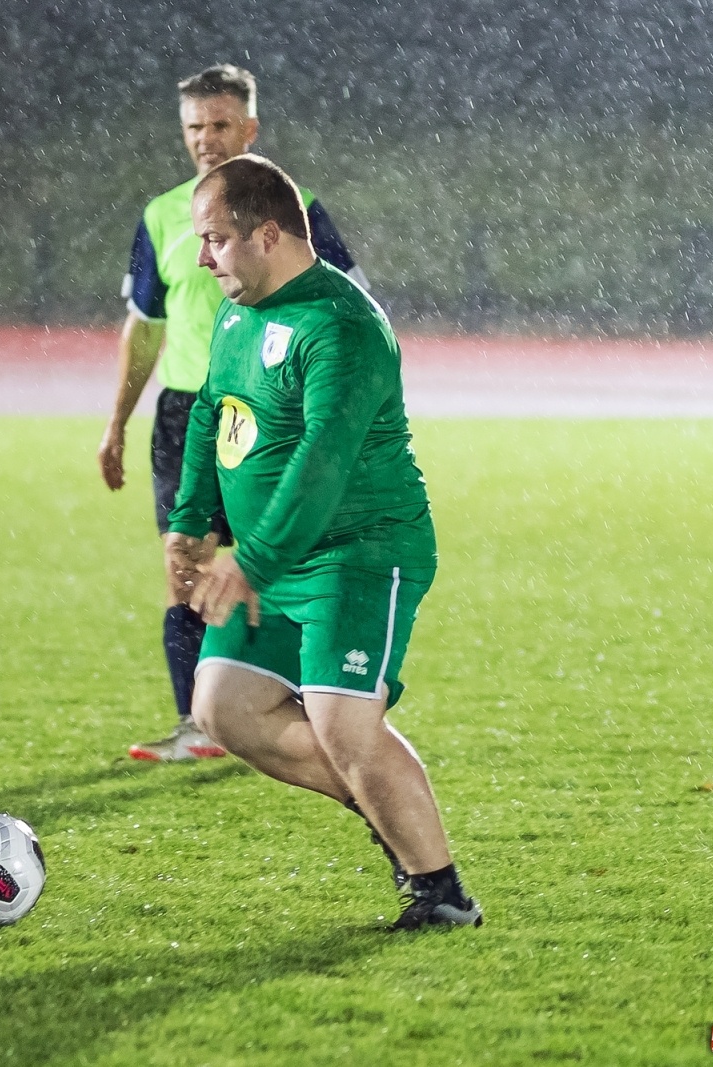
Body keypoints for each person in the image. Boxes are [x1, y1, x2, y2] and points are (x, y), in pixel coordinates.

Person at [168, 154, 481, 930]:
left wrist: (253, 558)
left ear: (266, 233)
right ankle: (384, 803)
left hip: (362, 552)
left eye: (214, 241)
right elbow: (214, 411)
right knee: (223, 706)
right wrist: (190, 518)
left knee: (345, 725)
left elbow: (324, 462)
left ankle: (442, 892)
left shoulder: (343, 326)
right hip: (276, 556)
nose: (204, 260)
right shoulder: (242, 313)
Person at [101, 64, 367, 763]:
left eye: (220, 125)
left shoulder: (296, 206)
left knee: (282, 551)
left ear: (250, 127)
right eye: (194, 127)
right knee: (184, 564)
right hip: (188, 410)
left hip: (273, 406)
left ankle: (299, 699)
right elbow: (144, 327)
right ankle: (200, 721)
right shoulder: (164, 216)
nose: (206, 140)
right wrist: (115, 423)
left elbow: (348, 303)